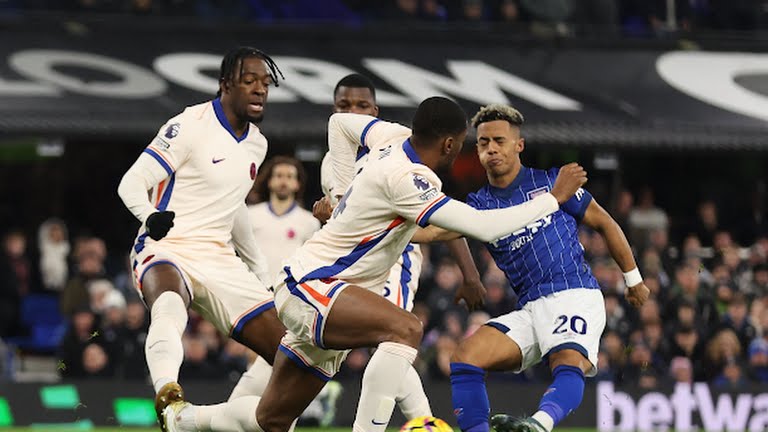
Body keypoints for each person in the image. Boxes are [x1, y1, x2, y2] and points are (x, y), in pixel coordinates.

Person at [163, 96, 586, 432]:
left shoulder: (391, 137)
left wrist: (341, 192)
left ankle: (184, 420)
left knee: (269, 420)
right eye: (463, 146)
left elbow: (339, 124)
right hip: (315, 286)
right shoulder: (410, 180)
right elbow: (483, 226)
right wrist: (554, 197)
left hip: (321, 290)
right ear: (449, 144)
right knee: (406, 328)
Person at [430, 104, 651, 432]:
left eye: (500, 141)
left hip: (573, 292)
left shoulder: (553, 182)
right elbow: (441, 230)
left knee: (568, 360)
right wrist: (471, 276)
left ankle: (539, 425)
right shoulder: (478, 204)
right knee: (465, 357)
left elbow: (605, 222)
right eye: (484, 142)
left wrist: (633, 280)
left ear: (518, 145)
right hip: (530, 308)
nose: (491, 148)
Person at [117, 46, 288, 431]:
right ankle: (168, 399)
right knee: (169, 305)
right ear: (225, 85)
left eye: (265, 83)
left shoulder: (257, 144)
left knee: (290, 355)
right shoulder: (189, 125)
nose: (260, 89)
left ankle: (201, 421)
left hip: (219, 259)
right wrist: (150, 216)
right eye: (249, 81)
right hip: (167, 246)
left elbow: (234, 206)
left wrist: (260, 271)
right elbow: (131, 182)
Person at [248, 156, 320, 279]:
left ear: (297, 183)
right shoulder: (250, 215)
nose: (283, 181)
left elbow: (313, 261)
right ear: (269, 181)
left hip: (290, 286)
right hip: (255, 285)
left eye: (289, 176)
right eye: (279, 175)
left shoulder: (310, 221)